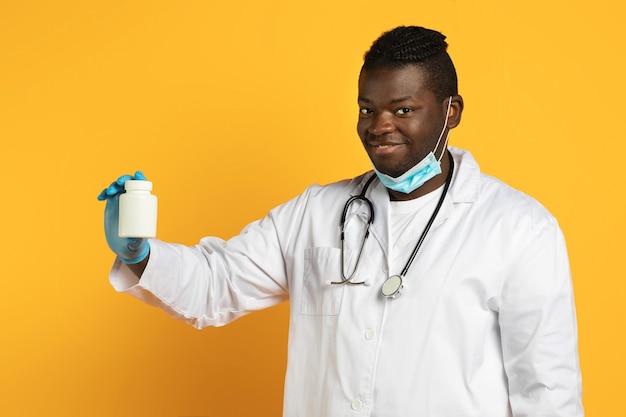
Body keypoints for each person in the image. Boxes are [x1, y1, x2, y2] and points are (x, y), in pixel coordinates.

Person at [99, 26, 583, 416]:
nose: (380, 126)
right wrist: (140, 254)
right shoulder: (316, 212)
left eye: (404, 109)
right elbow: (214, 285)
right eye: (367, 109)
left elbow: (546, 392)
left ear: (451, 111)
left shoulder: (520, 229)